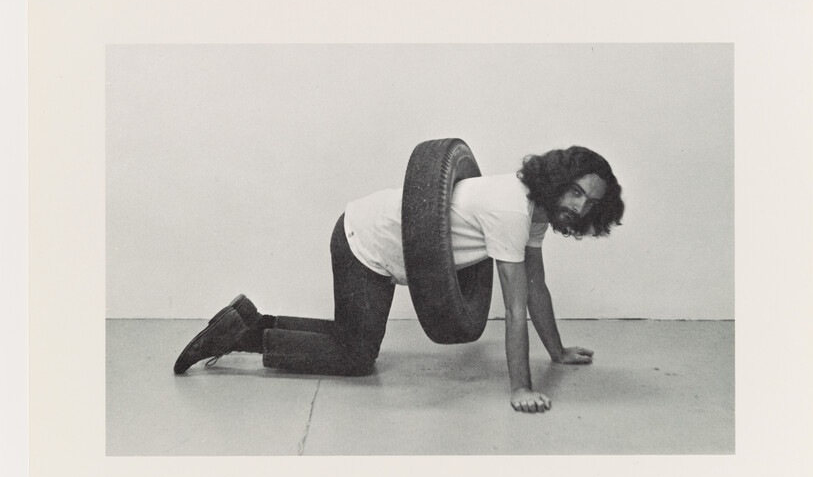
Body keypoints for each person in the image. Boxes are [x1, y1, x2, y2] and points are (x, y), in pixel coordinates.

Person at [173, 145, 624, 414]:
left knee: (352, 340)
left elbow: (538, 287)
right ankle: (240, 338)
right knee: (354, 355)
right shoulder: (511, 210)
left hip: (384, 236)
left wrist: (558, 352)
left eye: (590, 203)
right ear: (560, 179)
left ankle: (247, 321)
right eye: (576, 191)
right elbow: (516, 307)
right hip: (369, 238)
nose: (580, 207)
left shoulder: (537, 213)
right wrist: (521, 388)